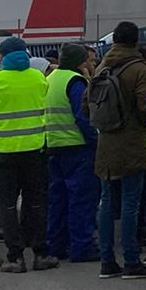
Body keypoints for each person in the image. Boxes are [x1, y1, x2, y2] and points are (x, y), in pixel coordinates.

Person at [0, 37, 54, 273]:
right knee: (36, 203)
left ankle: (15, 257)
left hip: (3, 152)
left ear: (3, 55)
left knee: (7, 206)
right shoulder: (39, 77)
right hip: (34, 149)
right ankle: (40, 253)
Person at [92, 21, 146, 278]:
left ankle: (107, 261)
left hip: (105, 141)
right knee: (131, 202)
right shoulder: (139, 69)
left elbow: (89, 104)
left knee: (106, 202)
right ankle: (131, 260)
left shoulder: (101, 66)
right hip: (132, 142)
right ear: (136, 40)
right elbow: (145, 107)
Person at [43, 43, 100, 264]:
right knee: (81, 200)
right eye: (87, 60)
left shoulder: (51, 79)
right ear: (79, 62)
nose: (90, 63)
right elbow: (82, 116)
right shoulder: (75, 82)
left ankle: (56, 245)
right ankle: (81, 247)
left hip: (54, 144)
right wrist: (95, 140)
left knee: (58, 200)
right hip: (77, 147)